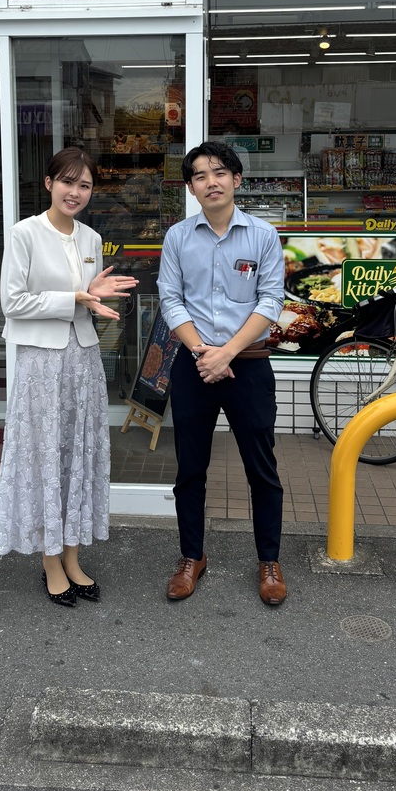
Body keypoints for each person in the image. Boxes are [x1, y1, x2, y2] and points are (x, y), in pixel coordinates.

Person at [0, 147, 138, 606]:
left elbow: (87, 302)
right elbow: (12, 303)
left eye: (85, 185)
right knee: (44, 458)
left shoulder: (91, 239)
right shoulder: (24, 234)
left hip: (83, 361)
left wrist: (93, 300)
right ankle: (50, 561)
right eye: (68, 182)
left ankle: (72, 555)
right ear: (50, 182)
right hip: (40, 363)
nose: (75, 192)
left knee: (78, 456)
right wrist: (77, 295)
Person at [157, 140, 287, 606]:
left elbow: (270, 301)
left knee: (262, 469)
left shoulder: (263, 236)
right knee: (190, 468)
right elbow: (170, 299)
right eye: (199, 175)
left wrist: (226, 353)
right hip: (194, 367)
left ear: (235, 179)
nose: (210, 181)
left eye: (218, 172)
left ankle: (268, 561)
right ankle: (192, 556)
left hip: (247, 365)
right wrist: (201, 352)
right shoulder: (177, 237)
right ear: (191, 188)